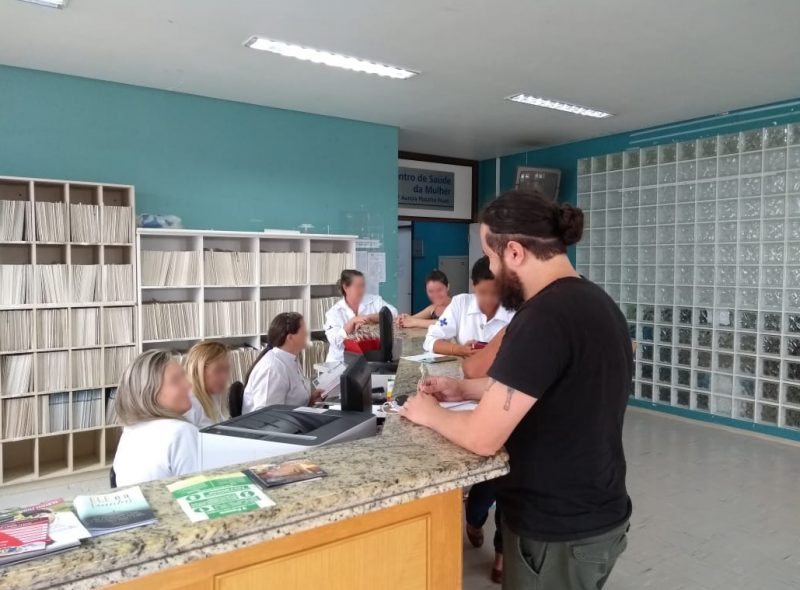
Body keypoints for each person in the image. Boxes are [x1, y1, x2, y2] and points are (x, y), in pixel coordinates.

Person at [401, 191, 632, 590]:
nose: (490, 269)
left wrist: (428, 413)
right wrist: (463, 389)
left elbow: (482, 438)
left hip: (557, 526)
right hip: (596, 509)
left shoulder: (542, 317)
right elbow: (548, 386)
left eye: (490, 258)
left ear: (514, 252)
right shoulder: (595, 300)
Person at [113, 350, 200, 486]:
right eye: (175, 381)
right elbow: (198, 490)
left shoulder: (130, 430)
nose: (189, 385)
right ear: (149, 392)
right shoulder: (182, 432)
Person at [422, 256, 513, 356]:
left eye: (495, 293)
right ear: (473, 286)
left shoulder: (514, 311)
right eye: (482, 292)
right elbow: (430, 340)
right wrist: (458, 349)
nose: (488, 299)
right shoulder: (461, 303)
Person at [243, 312, 322, 413]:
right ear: (290, 338)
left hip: (292, 419)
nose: (307, 334)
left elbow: (291, 401)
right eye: (304, 331)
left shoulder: (291, 358)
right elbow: (267, 415)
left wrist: (310, 401)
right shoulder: (272, 368)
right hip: (277, 422)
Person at [324, 269, 398, 363]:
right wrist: (351, 323)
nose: (362, 290)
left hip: (370, 358)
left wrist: (369, 318)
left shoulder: (374, 300)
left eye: (363, 286)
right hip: (340, 361)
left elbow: (393, 313)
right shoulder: (334, 313)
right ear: (345, 287)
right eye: (358, 287)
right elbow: (334, 341)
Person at [183, 341, 231, 428]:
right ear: (199, 371)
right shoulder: (189, 406)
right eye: (218, 370)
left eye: (226, 369)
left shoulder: (214, 395)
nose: (225, 377)